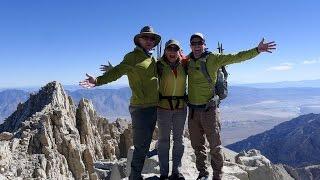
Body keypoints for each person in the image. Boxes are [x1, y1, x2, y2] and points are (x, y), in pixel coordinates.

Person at [186, 33, 276, 180]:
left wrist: (257, 50)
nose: (196, 46)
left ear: (204, 44)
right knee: (198, 146)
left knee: (215, 146)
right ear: (190, 45)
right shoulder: (187, 61)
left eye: (199, 43)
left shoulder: (214, 58)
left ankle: (217, 176)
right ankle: (202, 174)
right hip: (193, 112)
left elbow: (237, 56)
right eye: (193, 43)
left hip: (209, 110)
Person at [80, 26, 161, 180]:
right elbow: (118, 72)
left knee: (152, 140)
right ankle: (135, 177)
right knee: (141, 146)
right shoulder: (131, 57)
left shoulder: (152, 59)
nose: (149, 41)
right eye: (146, 38)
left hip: (155, 107)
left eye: (152, 39)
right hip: (140, 109)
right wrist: (97, 80)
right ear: (139, 40)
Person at [156, 39, 188, 180]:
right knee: (163, 141)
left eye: (175, 49)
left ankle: (176, 171)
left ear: (179, 51)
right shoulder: (159, 65)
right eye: (170, 49)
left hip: (180, 108)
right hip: (163, 108)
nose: (172, 52)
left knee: (178, 140)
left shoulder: (185, 64)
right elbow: (140, 72)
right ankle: (164, 173)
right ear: (165, 51)